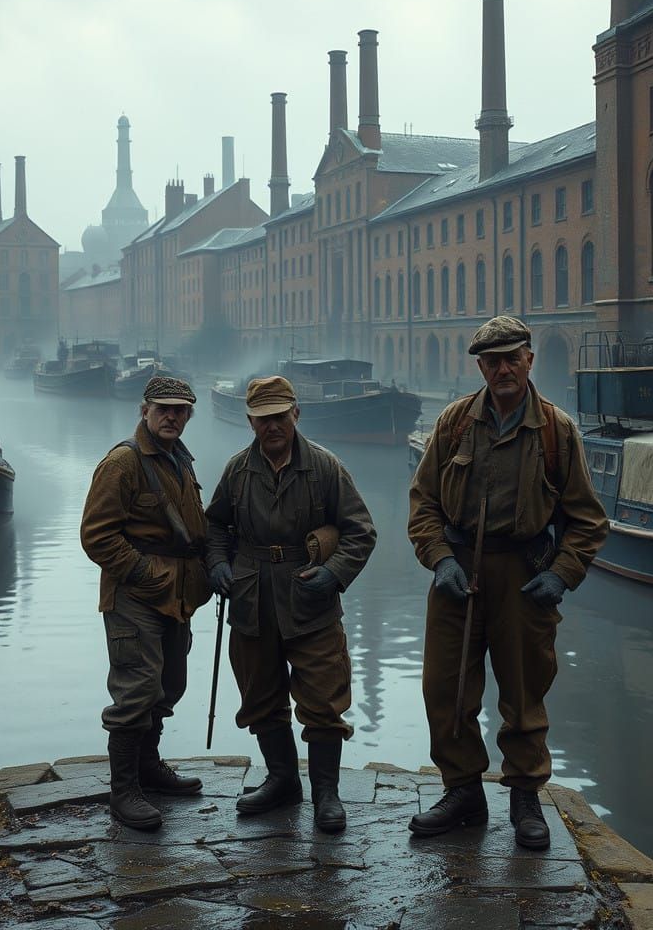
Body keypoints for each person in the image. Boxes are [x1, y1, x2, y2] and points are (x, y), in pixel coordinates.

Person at [407, 316, 608, 850]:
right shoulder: (452, 424)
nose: (502, 369)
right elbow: (423, 502)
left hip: (524, 576)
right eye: (491, 361)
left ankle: (524, 796)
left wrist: (561, 576)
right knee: (445, 689)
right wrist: (440, 559)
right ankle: (463, 790)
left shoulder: (556, 431)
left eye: (511, 358)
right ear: (480, 367)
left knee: (524, 691)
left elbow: (588, 519)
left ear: (529, 361)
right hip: (457, 576)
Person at [205, 375, 376, 832]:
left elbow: (361, 532)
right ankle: (282, 781)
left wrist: (334, 574)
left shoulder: (326, 468)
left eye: (280, 416)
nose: (273, 426)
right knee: (261, 697)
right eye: (263, 419)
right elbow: (215, 526)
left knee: (323, 699)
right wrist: (218, 564)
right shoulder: (237, 471)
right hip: (252, 598)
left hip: (311, 598)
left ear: (295, 415)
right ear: (250, 422)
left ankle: (326, 794)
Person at [80, 375, 213, 831]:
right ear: (145, 411)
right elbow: (97, 536)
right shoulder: (123, 462)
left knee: (169, 685)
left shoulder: (180, 460)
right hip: (136, 595)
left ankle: (150, 768)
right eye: (164, 409)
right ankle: (125, 791)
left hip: (177, 595)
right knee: (135, 691)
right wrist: (143, 573)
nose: (172, 416)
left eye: (181, 410)